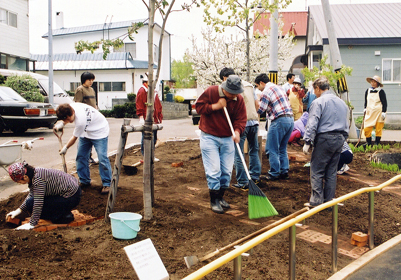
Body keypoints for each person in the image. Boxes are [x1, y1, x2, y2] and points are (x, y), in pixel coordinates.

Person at [196, 75, 247, 214]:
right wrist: (216, 106)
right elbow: (199, 108)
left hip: (227, 138)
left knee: (227, 171)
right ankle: (214, 200)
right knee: (214, 169)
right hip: (209, 136)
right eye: (230, 93)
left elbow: (241, 119)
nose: (232, 96)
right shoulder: (211, 91)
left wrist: (237, 131)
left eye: (235, 93)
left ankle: (220, 197)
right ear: (224, 88)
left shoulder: (239, 99)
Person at [303, 76, 349, 207]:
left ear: (318, 88)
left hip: (325, 138)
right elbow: (346, 123)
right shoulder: (341, 102)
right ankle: (328, 201)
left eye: (314, 90)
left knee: (317, 170)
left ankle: (316, 202)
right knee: (331, 171)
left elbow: (313, 122)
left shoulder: (318, 102)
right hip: (340, 138)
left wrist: (307, 141)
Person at [55, 103, 112, 195]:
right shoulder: (68, 107)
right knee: (81, 156)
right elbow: (67, 118)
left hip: (99, 131)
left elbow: (74, 138)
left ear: (72, 112)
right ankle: (84, 181)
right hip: (86, 132)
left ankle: (107, 183)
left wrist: (65, 148)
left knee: (102, 158)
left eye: (68, 119)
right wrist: (62, 123)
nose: (69, 122)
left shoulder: (80, 120)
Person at [5, 162, 81, 230]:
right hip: (66, 192)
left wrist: (32, 224)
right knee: (30, 203)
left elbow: (38, 203)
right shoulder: (34, 174)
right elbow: (32, 194)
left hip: (71, 197)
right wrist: (18, 211)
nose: (20, 183)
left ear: (25, 177)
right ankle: (61, 212)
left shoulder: (38, 180)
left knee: (32, 205)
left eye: (19, 181)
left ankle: (64, 216)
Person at [219, 68, 261, 190]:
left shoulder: (232, 88)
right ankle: (255, 177)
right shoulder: (249, 85)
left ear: (226, 78)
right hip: (254, 122)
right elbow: (257, 104)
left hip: (242, 123)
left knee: (238, 153)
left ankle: (243, 181)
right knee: (254, 150)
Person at [255, 73, 294, 181]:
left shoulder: (266, 91)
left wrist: (256, 102)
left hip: (279, 120)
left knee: (271, 148)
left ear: (262, 83)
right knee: (282, 148)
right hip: (290, 119)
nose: (259, 89)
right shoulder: (279, 87)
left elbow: (261, 110)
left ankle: (274, 172)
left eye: (258, 86)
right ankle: (284, 171)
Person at [136, 76, 163, 161]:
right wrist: (141, 116)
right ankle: (146, 156)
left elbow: (157, 104)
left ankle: (151, 155)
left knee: (154, 137)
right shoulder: (142, 91)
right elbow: (139, 104)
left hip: (154, 118)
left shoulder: (152, 91)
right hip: (147, 118)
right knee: (146, 137)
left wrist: (159, 116)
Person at [74, 71, 98, 164]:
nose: (91, 82)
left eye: (92, 80)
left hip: (92, 116)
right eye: (89, 80)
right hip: (84, 117)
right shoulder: (80, 89)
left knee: (91, 136)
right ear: (84, 80)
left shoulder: (91, 89)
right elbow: (78, 104)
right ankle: (83, 157)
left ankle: (89, 156)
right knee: (83, 137)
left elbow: (94, 103)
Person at [363, 75, 387, 146]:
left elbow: (384, 102)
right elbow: (366, 101)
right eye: (372, 82)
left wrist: (384, 112)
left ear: (377, 83)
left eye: (374, 82)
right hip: (370, 112)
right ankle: (368, 142)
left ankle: (377, 143)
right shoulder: (368, 91)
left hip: (379, 112)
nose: (373, 83)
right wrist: (365, 108)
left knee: (378, 128)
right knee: (367, 128)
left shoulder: (381, 91)